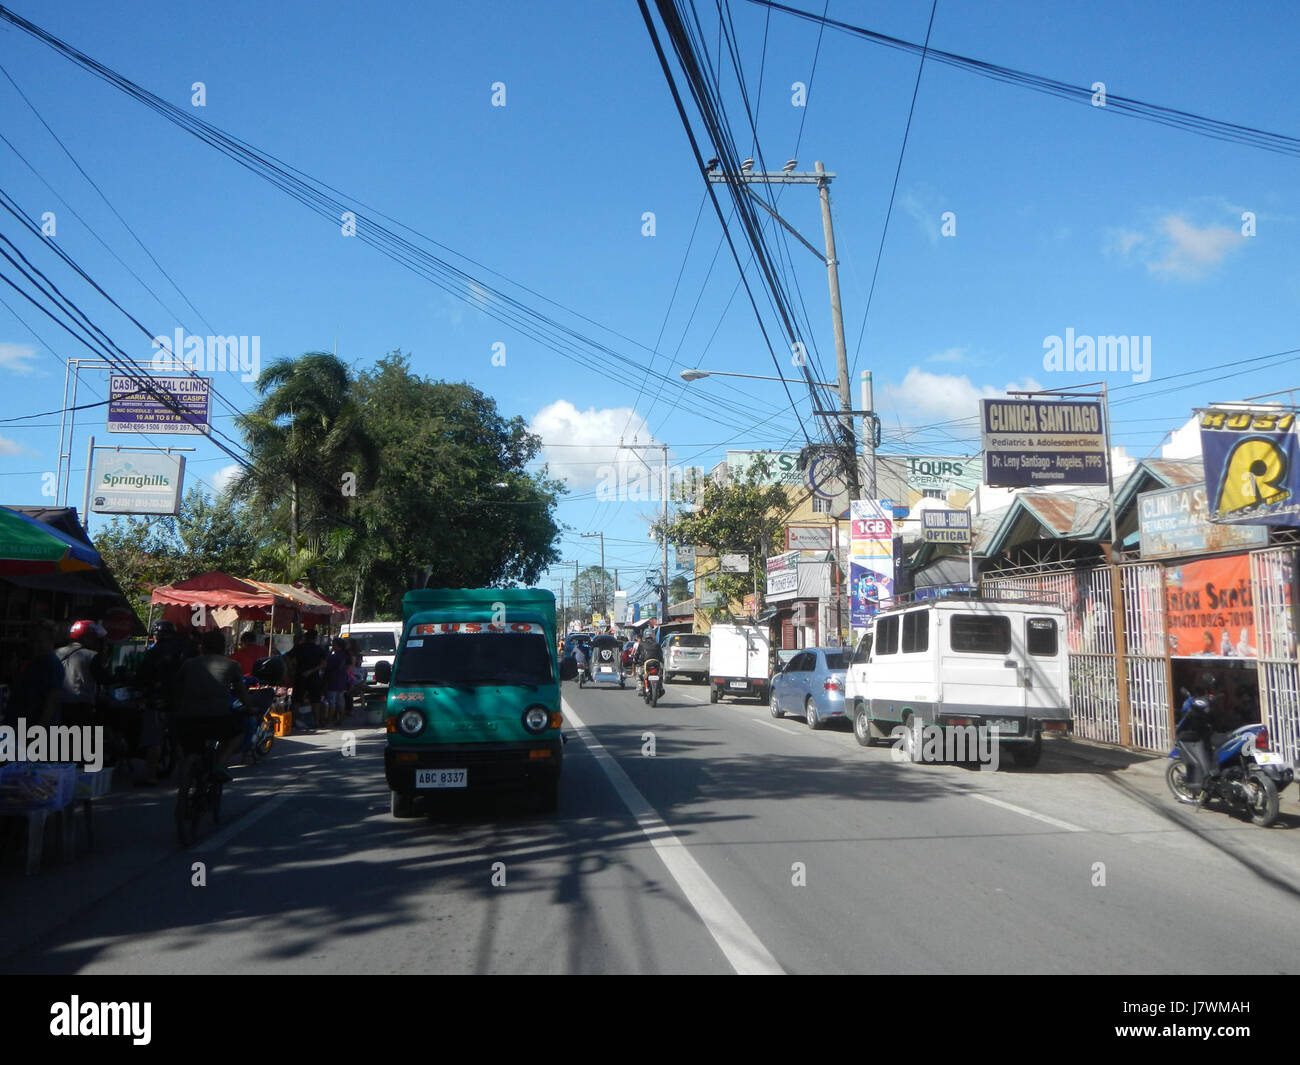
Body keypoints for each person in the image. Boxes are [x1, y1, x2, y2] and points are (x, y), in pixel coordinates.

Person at [173, 629, 251, 783]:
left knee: (177, 737)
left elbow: (177, 689)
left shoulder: (189, 664)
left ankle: (186, 766)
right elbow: (241, 692)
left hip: (188, 718)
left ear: (202, 647)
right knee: (239, 732)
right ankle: (220, 764)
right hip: (219, 718)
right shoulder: (232, 665)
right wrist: (250, 708)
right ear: (223, 647)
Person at [8, 620, 63, 729]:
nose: (34, 645)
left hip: (36, 729)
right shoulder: (33, 662)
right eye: (32, 641)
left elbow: (52, 701)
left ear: (51, 641)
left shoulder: (52, 665)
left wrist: (39, 729)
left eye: (40, 641)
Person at [57, 620, 111, 728]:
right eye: (96, 639)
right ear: (87, 638)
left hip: (57, 706)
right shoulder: (91, 655)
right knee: (83, 743)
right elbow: (104, 679)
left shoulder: (57, 652)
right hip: (81, 709)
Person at [323, 637, 350, 726]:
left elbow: (326, 667)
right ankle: (341, 718)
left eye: (334, 645)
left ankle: (330, 719)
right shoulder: (345, 656)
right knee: (340, 701)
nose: (332, 646)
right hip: (342, 681)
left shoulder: (334, 657)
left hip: (333, 681)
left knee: (332, 701)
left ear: (338, 646)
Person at [635, 630, 662, 695]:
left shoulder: (641, 644)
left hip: (645, 663)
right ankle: (661, 687)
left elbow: (637, 654)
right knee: (660, 675)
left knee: (639, 675)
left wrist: (636, 661)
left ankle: (640, 688)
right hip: (656, 663)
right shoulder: (657, 644)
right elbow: (661, 655)